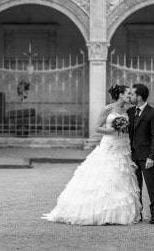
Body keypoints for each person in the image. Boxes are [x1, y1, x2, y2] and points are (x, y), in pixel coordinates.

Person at [41, 85, 141, 225]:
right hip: (109, 144)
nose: (130, 96)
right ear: (120, 95)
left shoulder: (127, 111)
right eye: (128, 93)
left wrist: (124, 129)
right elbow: (97, 128)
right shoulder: (108, 109)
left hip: (123, 146)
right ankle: (99, 211)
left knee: (121, 176)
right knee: (106, 176)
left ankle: (117, 213)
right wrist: (114, 130)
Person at [127, 83, 154, 224]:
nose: (130, 97)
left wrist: (151, 157)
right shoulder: (129, 112)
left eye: (132, 94)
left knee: (151, 184)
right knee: (136, 185)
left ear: (139, 97)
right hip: (132, 155)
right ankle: (138, 212)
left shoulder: (153, 113)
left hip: (146, 156)